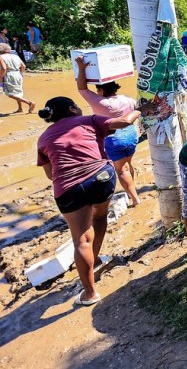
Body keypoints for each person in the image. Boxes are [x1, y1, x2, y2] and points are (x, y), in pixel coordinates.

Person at [37, 96, 142, 305]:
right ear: (71, 108)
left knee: (82, 240)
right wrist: (140, 108)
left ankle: (90, 293)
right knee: (100, 216)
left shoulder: (43, 139)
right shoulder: (89, 120)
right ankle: (92, 261)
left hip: (69, 189)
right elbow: (125, 122)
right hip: (101, 178)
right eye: (76, 105)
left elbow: (50, 175)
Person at [75, 56, 141, 207]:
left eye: (97, 89)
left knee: (121, 169)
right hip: (131, 134)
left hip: (114, 138)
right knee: (128, 164)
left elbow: (82, 88)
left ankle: (135, 199)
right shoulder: (127, 99)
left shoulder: (102, 103)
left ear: (101, 90)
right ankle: (132, 189)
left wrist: (81, 67)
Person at [0, 43, 35, 113]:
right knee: (18, 92)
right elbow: (23, 66)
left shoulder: (1, 57)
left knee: (10, 94)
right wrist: (21, 74)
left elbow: (4, 68)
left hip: (9, 75)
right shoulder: (15, 56)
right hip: (18, 74)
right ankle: (20, 108)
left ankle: (29, 102)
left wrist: (0, 77)